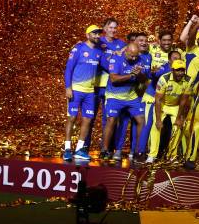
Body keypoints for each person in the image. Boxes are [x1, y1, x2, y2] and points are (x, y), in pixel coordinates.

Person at [101, 43, 149, 160]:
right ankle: (105, 150)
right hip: (114, 96)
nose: (134, 59)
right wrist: (131, 75)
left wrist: (139, 75)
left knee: (141, 120)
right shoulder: (116, 59)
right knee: (111, 120)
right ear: (126, 51)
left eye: (135, 56)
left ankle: (139, 151)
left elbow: (144, 80)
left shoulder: (139, 60)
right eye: (131, 56)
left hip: (131, 97)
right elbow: (113, 79)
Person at [62, 25, 103, 161]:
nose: (97, 36)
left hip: (90, 92)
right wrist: (68, 87)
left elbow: (107, 64)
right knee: (72, 118)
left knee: (87, 119)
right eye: (94, 33)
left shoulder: (99, 52)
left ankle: (79, 149)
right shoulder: (78, 48)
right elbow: (68, 69)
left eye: (98, 34)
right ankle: (67, 149)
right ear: (87, 35)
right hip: (76, 90)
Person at [91, 18, 126, 149]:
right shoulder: (97, 42)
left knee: (109, 119)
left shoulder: (121, 44)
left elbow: (123, 63)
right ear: (104, 28)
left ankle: (105, 150)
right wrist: (113, 58)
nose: (113, 30)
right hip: (95, 85)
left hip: (111, 87)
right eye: (110, 27)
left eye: (115, 27)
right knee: (90, 118)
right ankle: (84, 149)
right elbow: (98, 60)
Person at [147, 60, 191, 163]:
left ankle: (172, 155)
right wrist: (158, 120)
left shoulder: (188, 80)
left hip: (176, 106)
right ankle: (152, 155)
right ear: (172, 70)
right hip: (162, 104)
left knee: (177, 127)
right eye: (177, 70)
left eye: (182, 70)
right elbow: (157, 100)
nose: (180, 73)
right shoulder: (164, 79)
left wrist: (179, 118)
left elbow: (184, 101)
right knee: (155, 126)